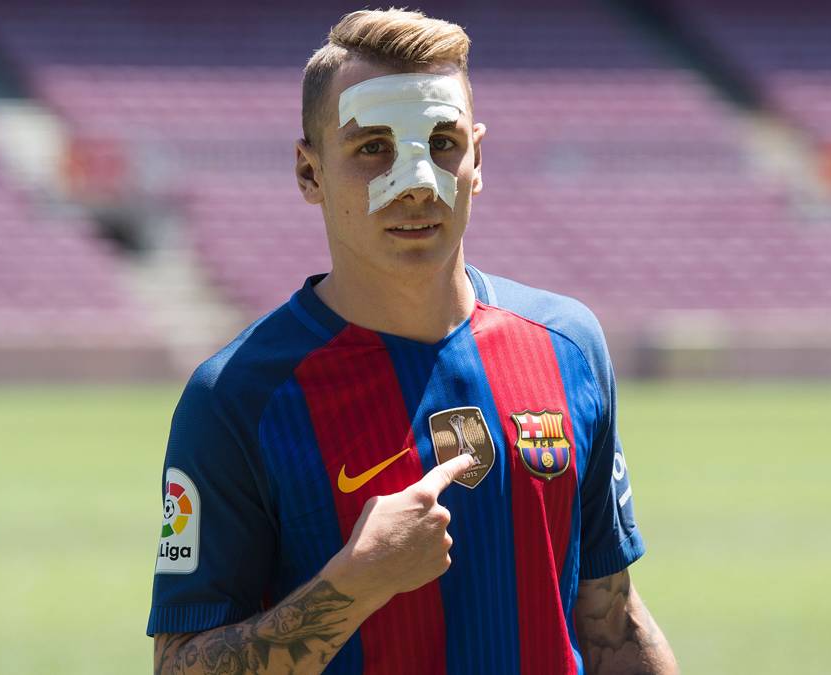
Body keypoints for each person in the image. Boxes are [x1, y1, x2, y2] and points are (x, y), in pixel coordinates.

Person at [149, 9, 679, 675]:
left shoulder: (568, 346)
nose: (418, 184)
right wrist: (355, 583)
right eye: (373, 148)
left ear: (477, 159)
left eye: (443, 143)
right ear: (309, 173)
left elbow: (612, 622)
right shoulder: (234, 398)